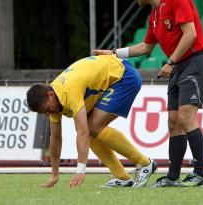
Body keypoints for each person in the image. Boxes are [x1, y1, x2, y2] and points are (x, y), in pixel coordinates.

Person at [94, 0, 203, 187]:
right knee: (174, 123)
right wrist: (114, 53)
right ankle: (172, 177)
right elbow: (146, 47)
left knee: (186, 118)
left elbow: (191, 34)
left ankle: (200, 174)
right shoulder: (154, 16)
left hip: (196, 62)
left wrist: (171, 62)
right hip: (179, 66)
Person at [26, 55, 157, 188]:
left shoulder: (69, 91)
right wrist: (54, 175)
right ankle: (122, 177)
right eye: (44, 113)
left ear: (50, 95)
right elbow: (55, 138)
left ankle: (145, 164)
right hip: (112, 74)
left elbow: (82, 133)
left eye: (48, 109)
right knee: (92, 130)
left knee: (92, 127)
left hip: (125, 76)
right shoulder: (54, 98)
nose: (48, 113)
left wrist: (81, 171)